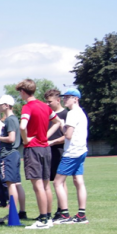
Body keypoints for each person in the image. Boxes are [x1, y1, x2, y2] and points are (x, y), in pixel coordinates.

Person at [16, 79, 60, 229]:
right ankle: (48, 217)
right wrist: (46, 136)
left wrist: (25, 139)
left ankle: (42, 220)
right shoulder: (44, 106)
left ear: (23, 91)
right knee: (46, 185)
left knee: (38, 186)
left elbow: (22, 126)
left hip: (33, 149)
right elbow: (58, 122)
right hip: (45, 148)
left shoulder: (27, 107)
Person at [52, 88, 89, 224]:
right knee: (78, 181)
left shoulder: (72, 114)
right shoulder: (81, 113)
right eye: (64, 97)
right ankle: (81, 215)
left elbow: (68, 135)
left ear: (75, 99)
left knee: (57, 182)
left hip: (72, 152)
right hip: (81, 150)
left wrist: (61, 124)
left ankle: (65, 215)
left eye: (68, 97)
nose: (64, 99)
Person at [0, 95, 27, 221]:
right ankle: (22, 211)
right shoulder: (13, 119)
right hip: (14, 153)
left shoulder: (10, 120)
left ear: (6, 105)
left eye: (0, 104)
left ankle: (13, 213)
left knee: (11, 185)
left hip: (9, 154)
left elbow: (11, 138)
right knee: (17, 184)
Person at [44, 89, 69, 221]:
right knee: (47, 181)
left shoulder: (65, 114)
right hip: (47, 151)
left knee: (61, 182)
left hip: (59, 151)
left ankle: (62, 209)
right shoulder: (49, 115)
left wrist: (52, 142)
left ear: (58, 100)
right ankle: (46, 212)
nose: (47, 105)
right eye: (46, 102)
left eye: (50, 102)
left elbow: (68, 136)